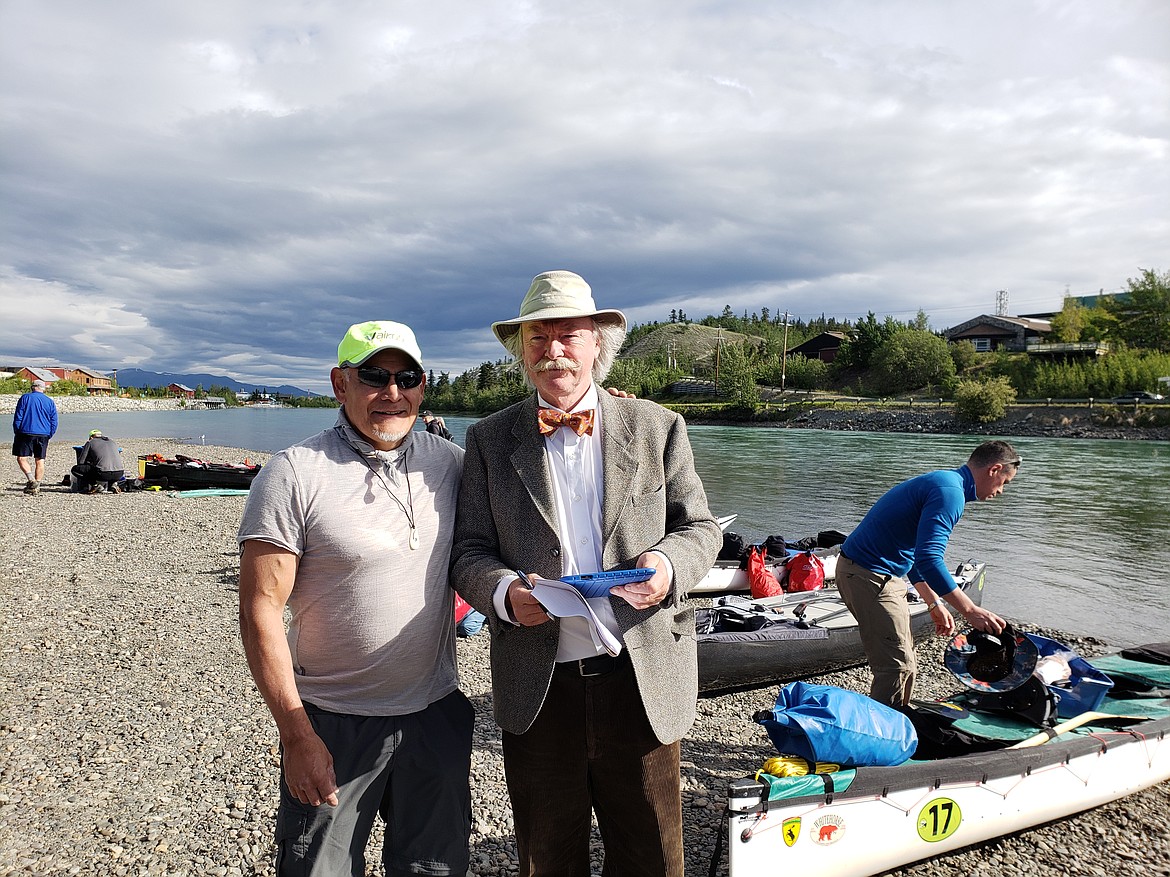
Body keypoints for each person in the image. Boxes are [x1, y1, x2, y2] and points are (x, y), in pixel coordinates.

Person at [451, 270, 722, 877]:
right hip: (539, 682)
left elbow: (702, 529)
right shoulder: (490, 439)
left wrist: (667, 565)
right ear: (521, 350)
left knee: (651, 852)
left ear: (598, 342)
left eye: (568, 335)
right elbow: (468, 550)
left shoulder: (658, 426)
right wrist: (502, 593)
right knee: (547, 855)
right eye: (538, 337)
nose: (553, 350)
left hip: (641, 672)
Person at [237, 320, 473, 876]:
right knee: (320, 868)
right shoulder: (293, 473)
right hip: (333, 721)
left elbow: (528, 466)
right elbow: (261, 608)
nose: (392, 392)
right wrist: (296, 733)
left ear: (422, 385)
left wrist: (605, 416)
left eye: (407, 377)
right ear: (340, 384)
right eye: (373, 376)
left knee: (434, 869)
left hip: (434, 712)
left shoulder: (451, 464)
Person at [835, 440, 1020, 707]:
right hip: (869, 575)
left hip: (879, 574)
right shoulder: (950, 494)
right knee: (897, 667)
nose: (1001, 491)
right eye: (1005, 482)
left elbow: (913, 553)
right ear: (994, 469)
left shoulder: (947, 484)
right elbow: (930, 559)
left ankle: (894, 725)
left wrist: (933, 602)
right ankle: (882, 738)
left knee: (905, 661)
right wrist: (969, 610)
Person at [12, 378, 58, 496]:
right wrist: (49, 433)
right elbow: (54, 421)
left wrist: (17, 430)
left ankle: (31, 480)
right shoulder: (49, 401)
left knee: (22, 458)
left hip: (25, 432)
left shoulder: (25, 398)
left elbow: (18, 416)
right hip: (43, 433)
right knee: (40, 460)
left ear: (33, 387)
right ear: (43, 389)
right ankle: (37, 485)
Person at [71, 429, 125, 493]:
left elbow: (81, 462)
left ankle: (95, 485)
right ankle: (113, 484)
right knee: (108, 467)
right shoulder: (112, 442)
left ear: (91, 437)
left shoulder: (90, 442)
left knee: (75, 469)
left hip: (103, 474)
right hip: (119, 473)